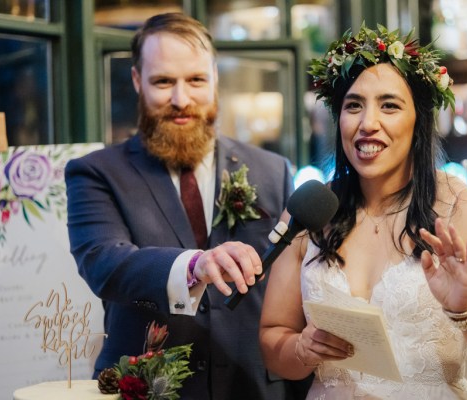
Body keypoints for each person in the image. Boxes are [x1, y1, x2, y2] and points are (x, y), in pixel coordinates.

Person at [260, 24, 467, 399]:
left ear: (419, 121)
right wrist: (301, 349)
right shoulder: (309, 212)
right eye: (353, 106)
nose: (368, 124)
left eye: (389, 105)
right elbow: (272, 341)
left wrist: (466, 310)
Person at [65, 13, 310, 400]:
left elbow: (292, 285)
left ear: (214, 78)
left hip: (252, 387)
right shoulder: (96, 173)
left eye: (195, 80)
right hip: (145, 389)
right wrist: (195, 264)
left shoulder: (271, 169)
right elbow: (104, 263)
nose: (181, 99)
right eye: (163, 81)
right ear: (136, 81)